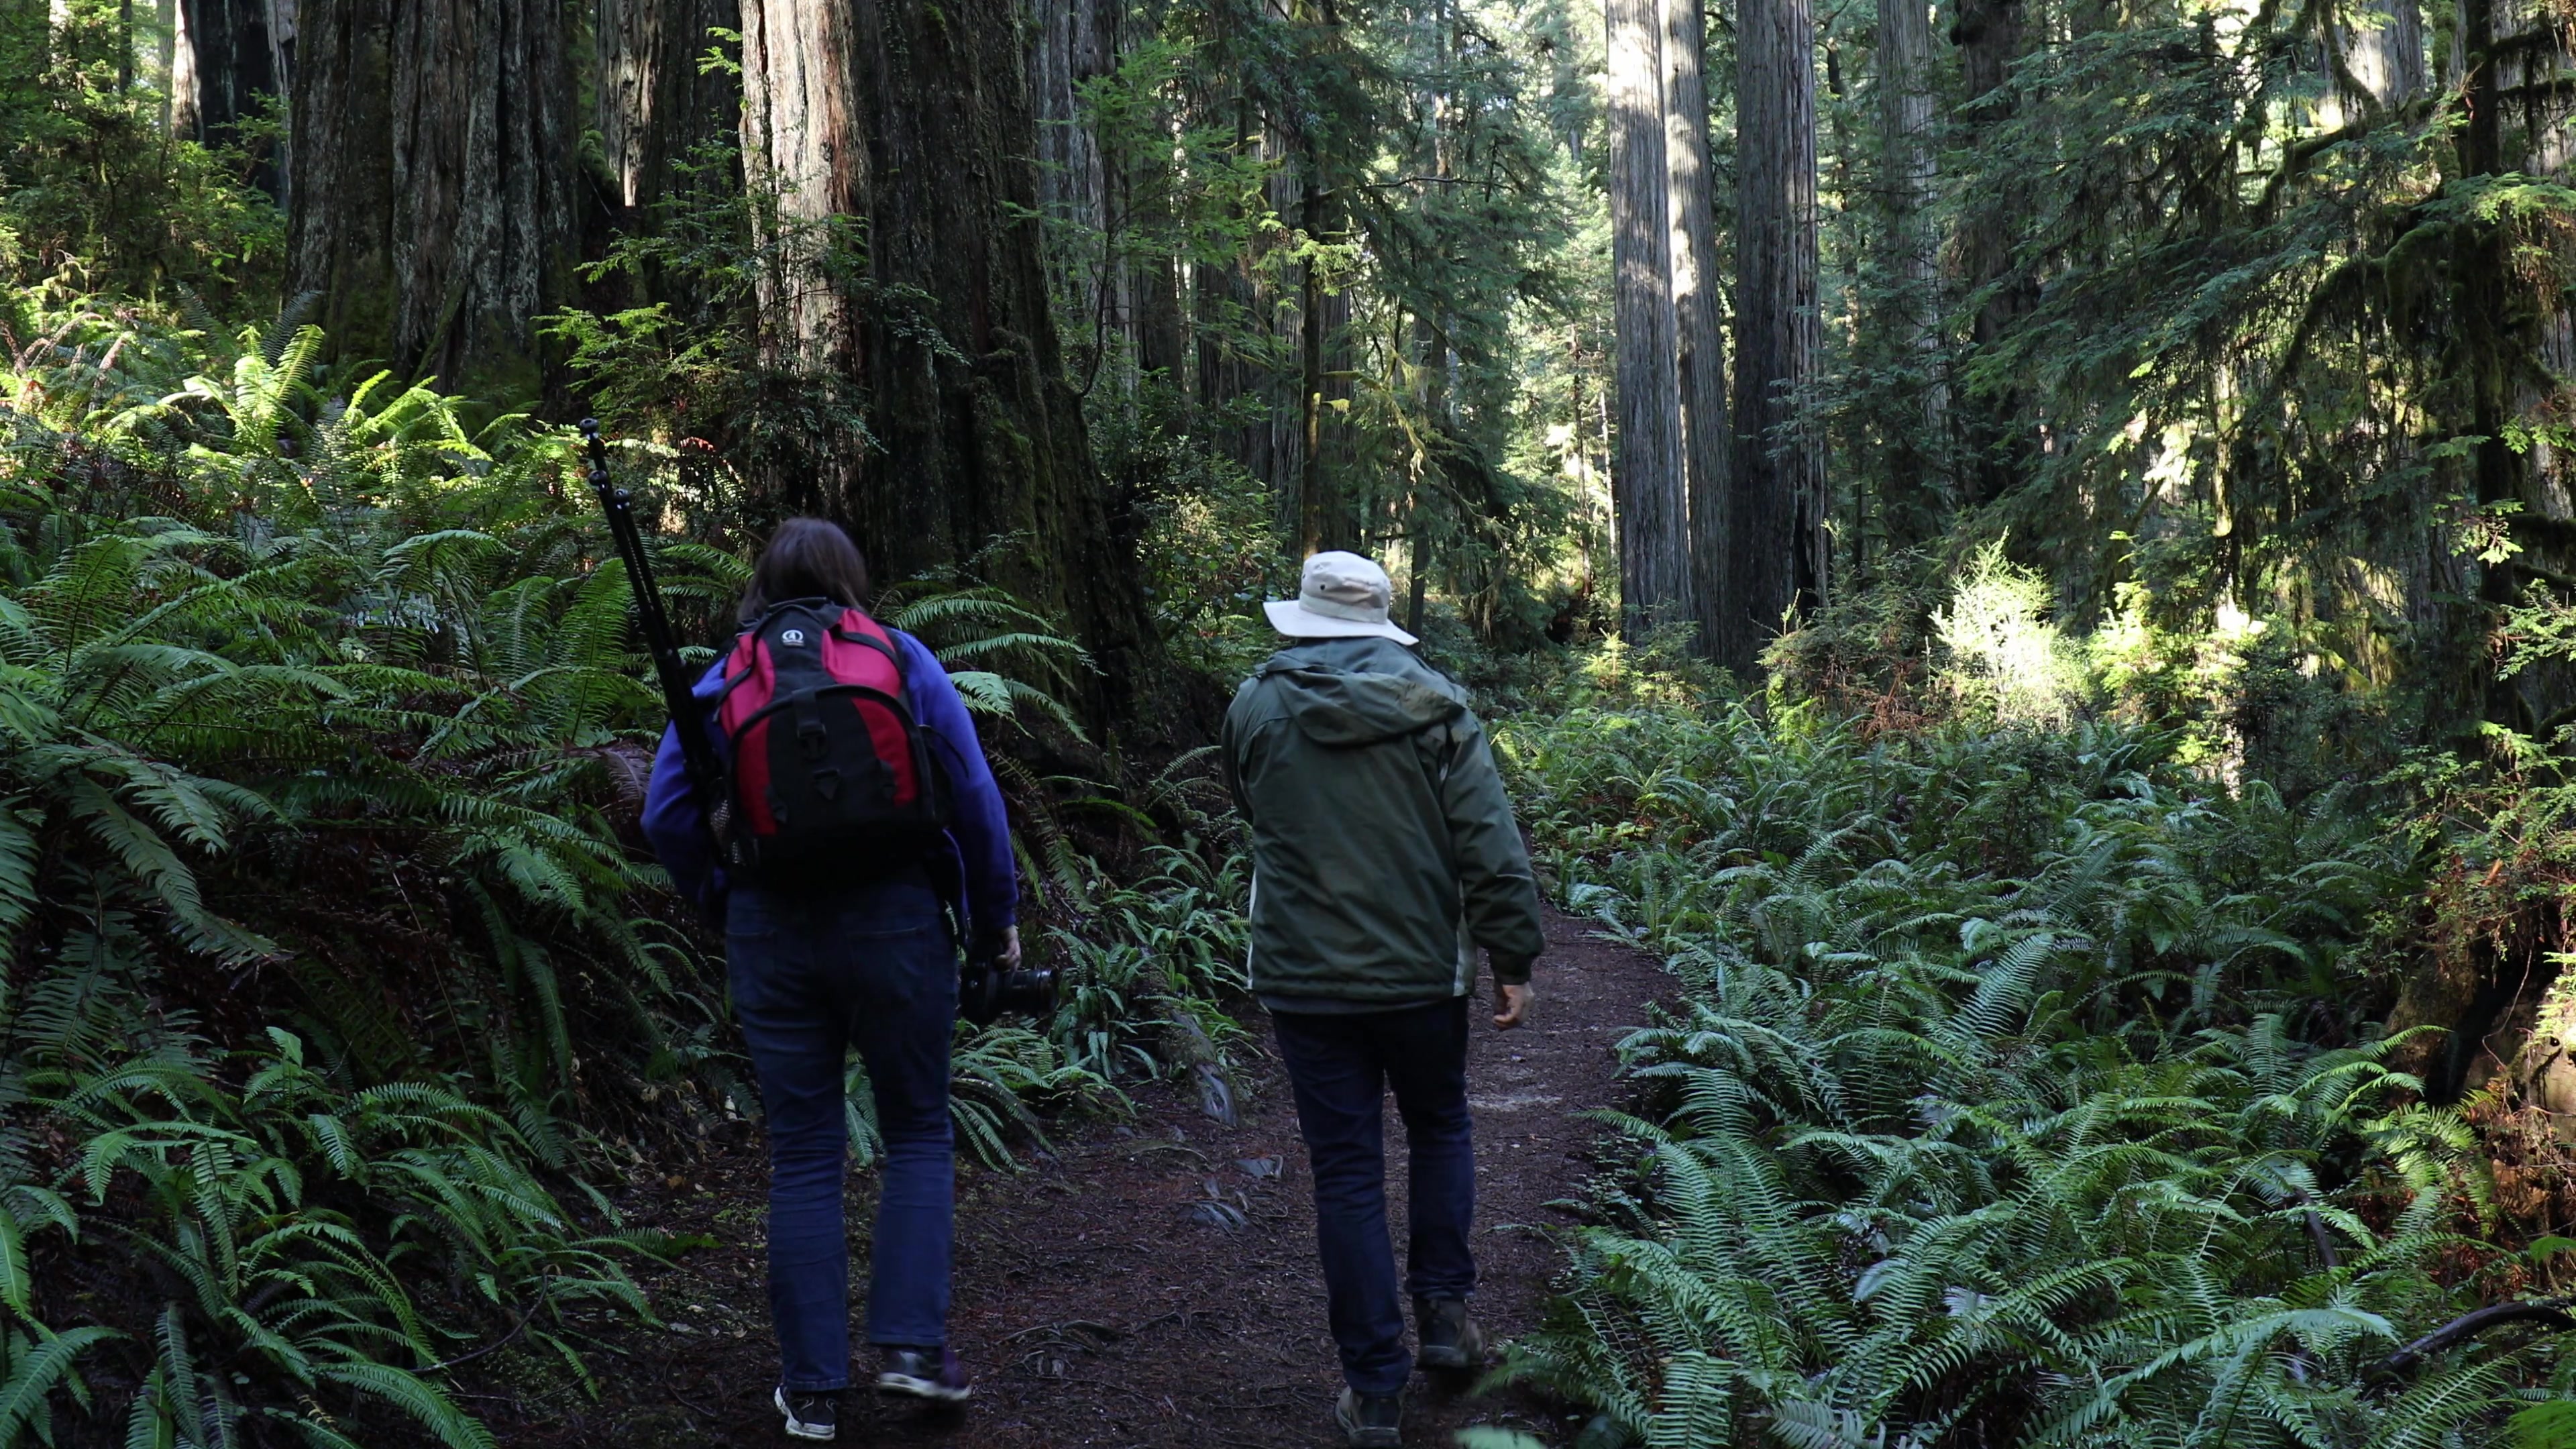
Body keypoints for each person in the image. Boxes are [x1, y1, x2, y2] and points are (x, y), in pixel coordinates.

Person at [642, 518, 1019, 1442]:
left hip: (772, 929)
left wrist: (723, 898)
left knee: (806, 1151)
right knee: (918, 1132)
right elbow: (973, 793)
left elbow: (665, 815)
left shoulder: (726, 677)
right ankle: (913, 1353)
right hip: (897, 918)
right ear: (852, 580)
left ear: (761, 586)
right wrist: (994, 919)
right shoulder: (899, 657)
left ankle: (812, 1392)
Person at [1222, 551, 1546, 1449]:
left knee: (1346, 1171)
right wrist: (1512, 956)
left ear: (1307, 615)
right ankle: (1444, 1318)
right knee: (1439, 1126)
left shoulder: (1255, 704)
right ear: (1380, 619)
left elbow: (1252, 807)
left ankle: (1372, 1392)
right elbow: (1487, 841)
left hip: (1302, 976)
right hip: (1419, 976)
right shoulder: (1438, 707)